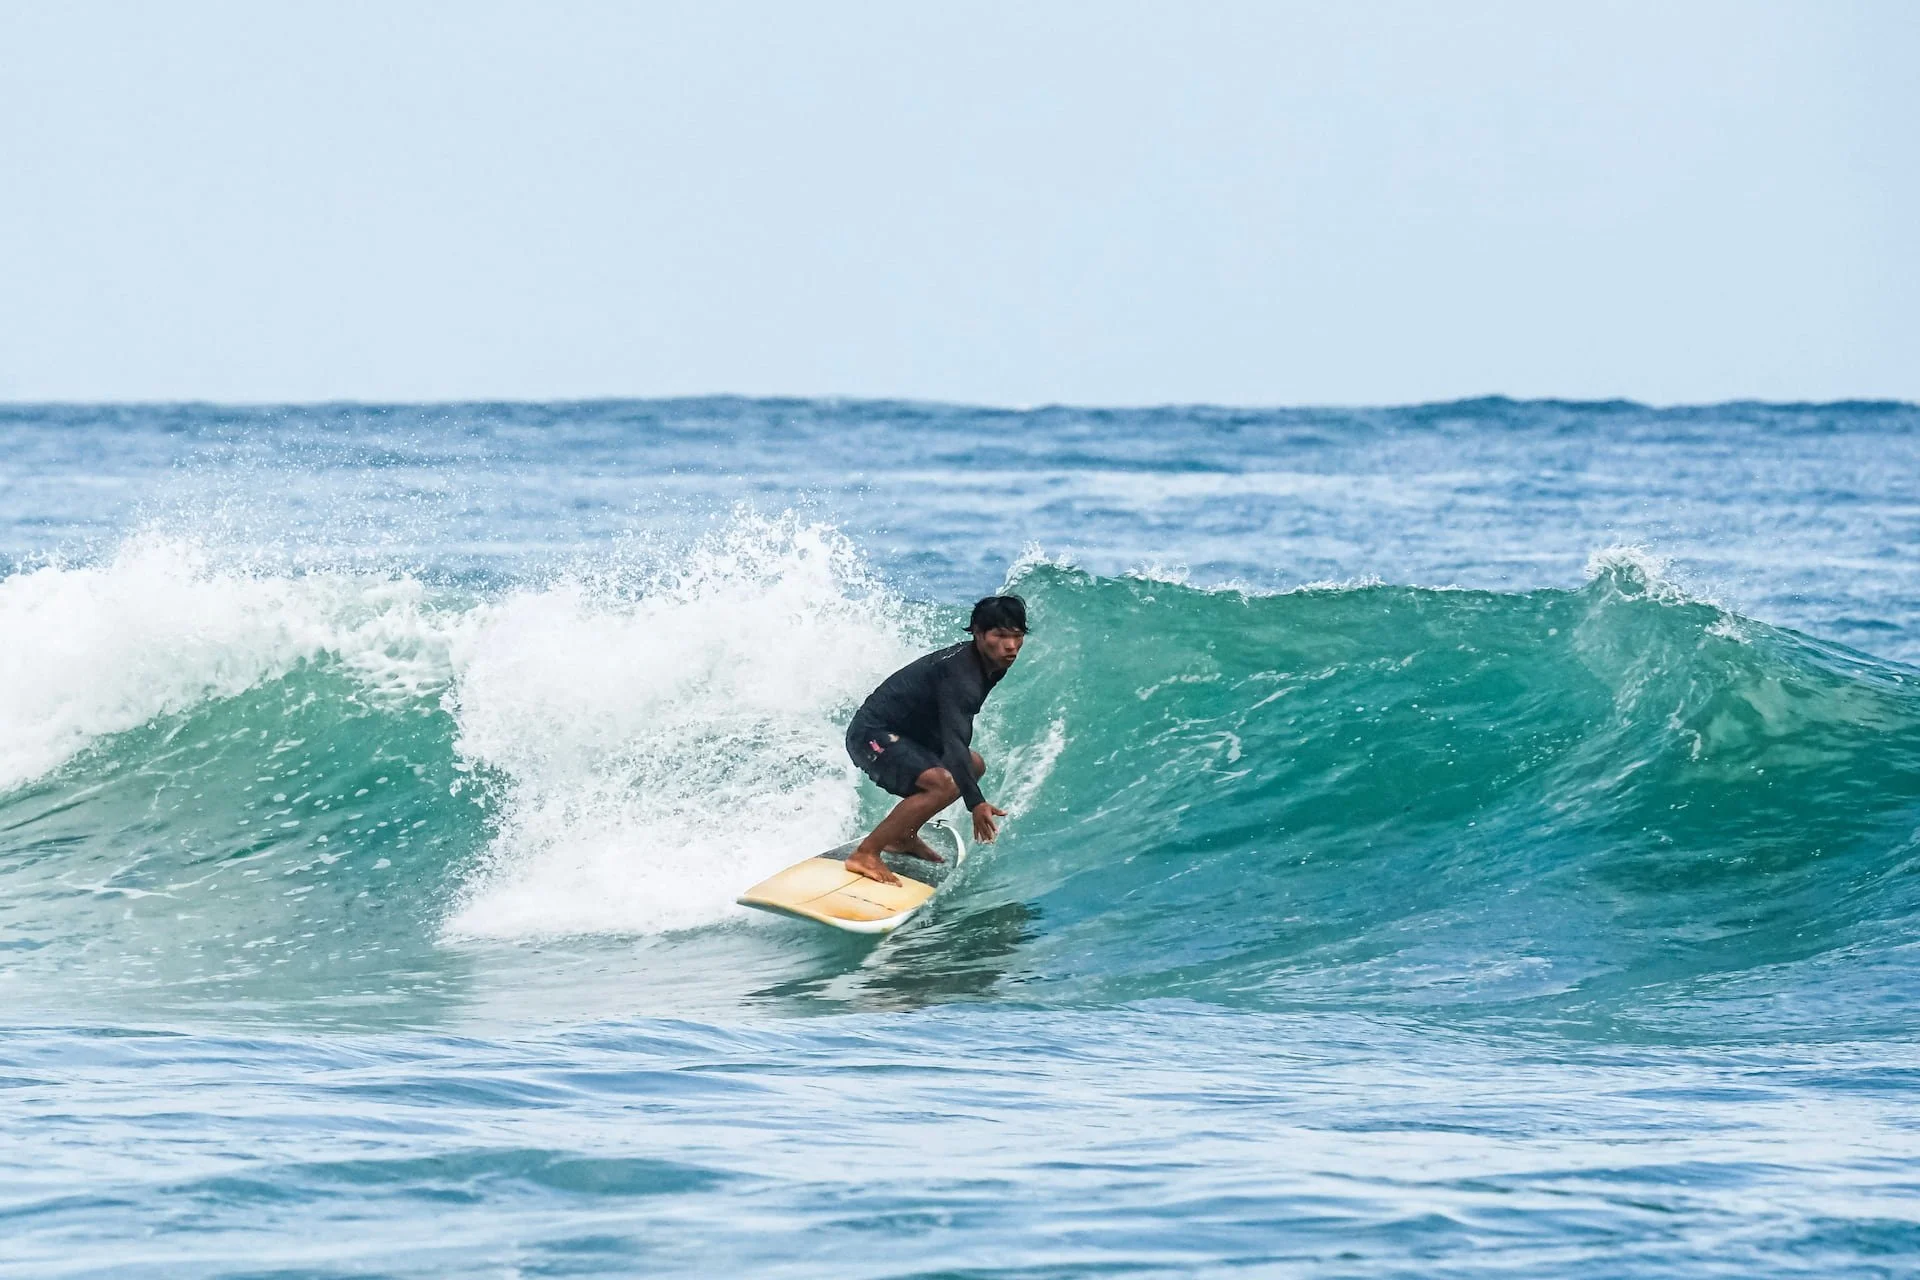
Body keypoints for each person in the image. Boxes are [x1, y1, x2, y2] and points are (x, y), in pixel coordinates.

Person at [842, 594, 1027, 884]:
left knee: (973, 764)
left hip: (908, 736)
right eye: (1000, 635)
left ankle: (902, 837)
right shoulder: (961, 674)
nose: (1011, 646)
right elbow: (954, 741)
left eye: (1017, 636)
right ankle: (865, 854)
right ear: (978, 633)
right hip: (871, 734)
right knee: (943, 782)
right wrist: (975, 803)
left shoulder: (992, 663)